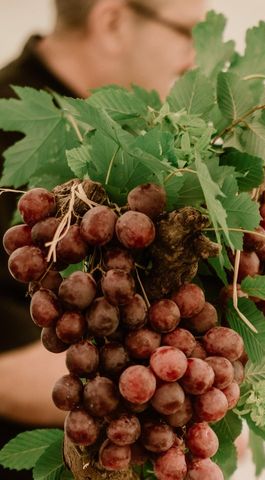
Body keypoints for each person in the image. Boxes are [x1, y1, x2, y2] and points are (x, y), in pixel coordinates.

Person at [0, 1, 205, 478]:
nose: (195, 56)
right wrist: (167, 404)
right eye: (186, 31)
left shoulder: (145, 143)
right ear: (112, 21)